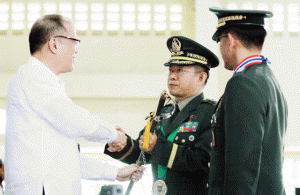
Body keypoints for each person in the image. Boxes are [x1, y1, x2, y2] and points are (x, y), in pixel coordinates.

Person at [5, 14, 143, 195]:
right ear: (54, 44)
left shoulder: (45, 85)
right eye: (74, 41)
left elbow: (64, 159)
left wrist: (115, 173)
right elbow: (74, 120)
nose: (76, 50)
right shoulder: (32, 77)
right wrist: (113, 136)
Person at [104, 36, 219, 195]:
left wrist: (158, 147)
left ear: (201, 77)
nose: (172, 76)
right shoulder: (162, 113)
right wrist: (123, 144)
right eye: (171, 70)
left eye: (180, 70)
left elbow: (203, 162)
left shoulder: (210, 113)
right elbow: (143, 155)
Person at [207, 8, 288, 195]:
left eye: (220, 40)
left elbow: (242, 165)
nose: (220, 47)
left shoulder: (242, 83)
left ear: (231, 41)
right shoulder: (269, 79)